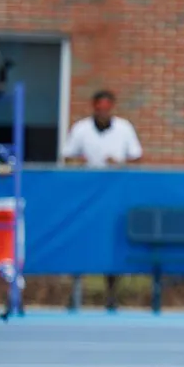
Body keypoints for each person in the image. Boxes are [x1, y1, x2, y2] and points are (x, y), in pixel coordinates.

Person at [63, 89, 143, 311]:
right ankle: (76, 292)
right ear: (94, 108)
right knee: (82, 240)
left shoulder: (124, 129)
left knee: (113, 242)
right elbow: (67, 158)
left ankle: (112, 295)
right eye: (99, 109)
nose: (103, 113)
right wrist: (81, 162)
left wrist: (119, 164)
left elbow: (137, 159)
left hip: (114, 196)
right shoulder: (81, 129)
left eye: (107, 109)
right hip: (87, 197)